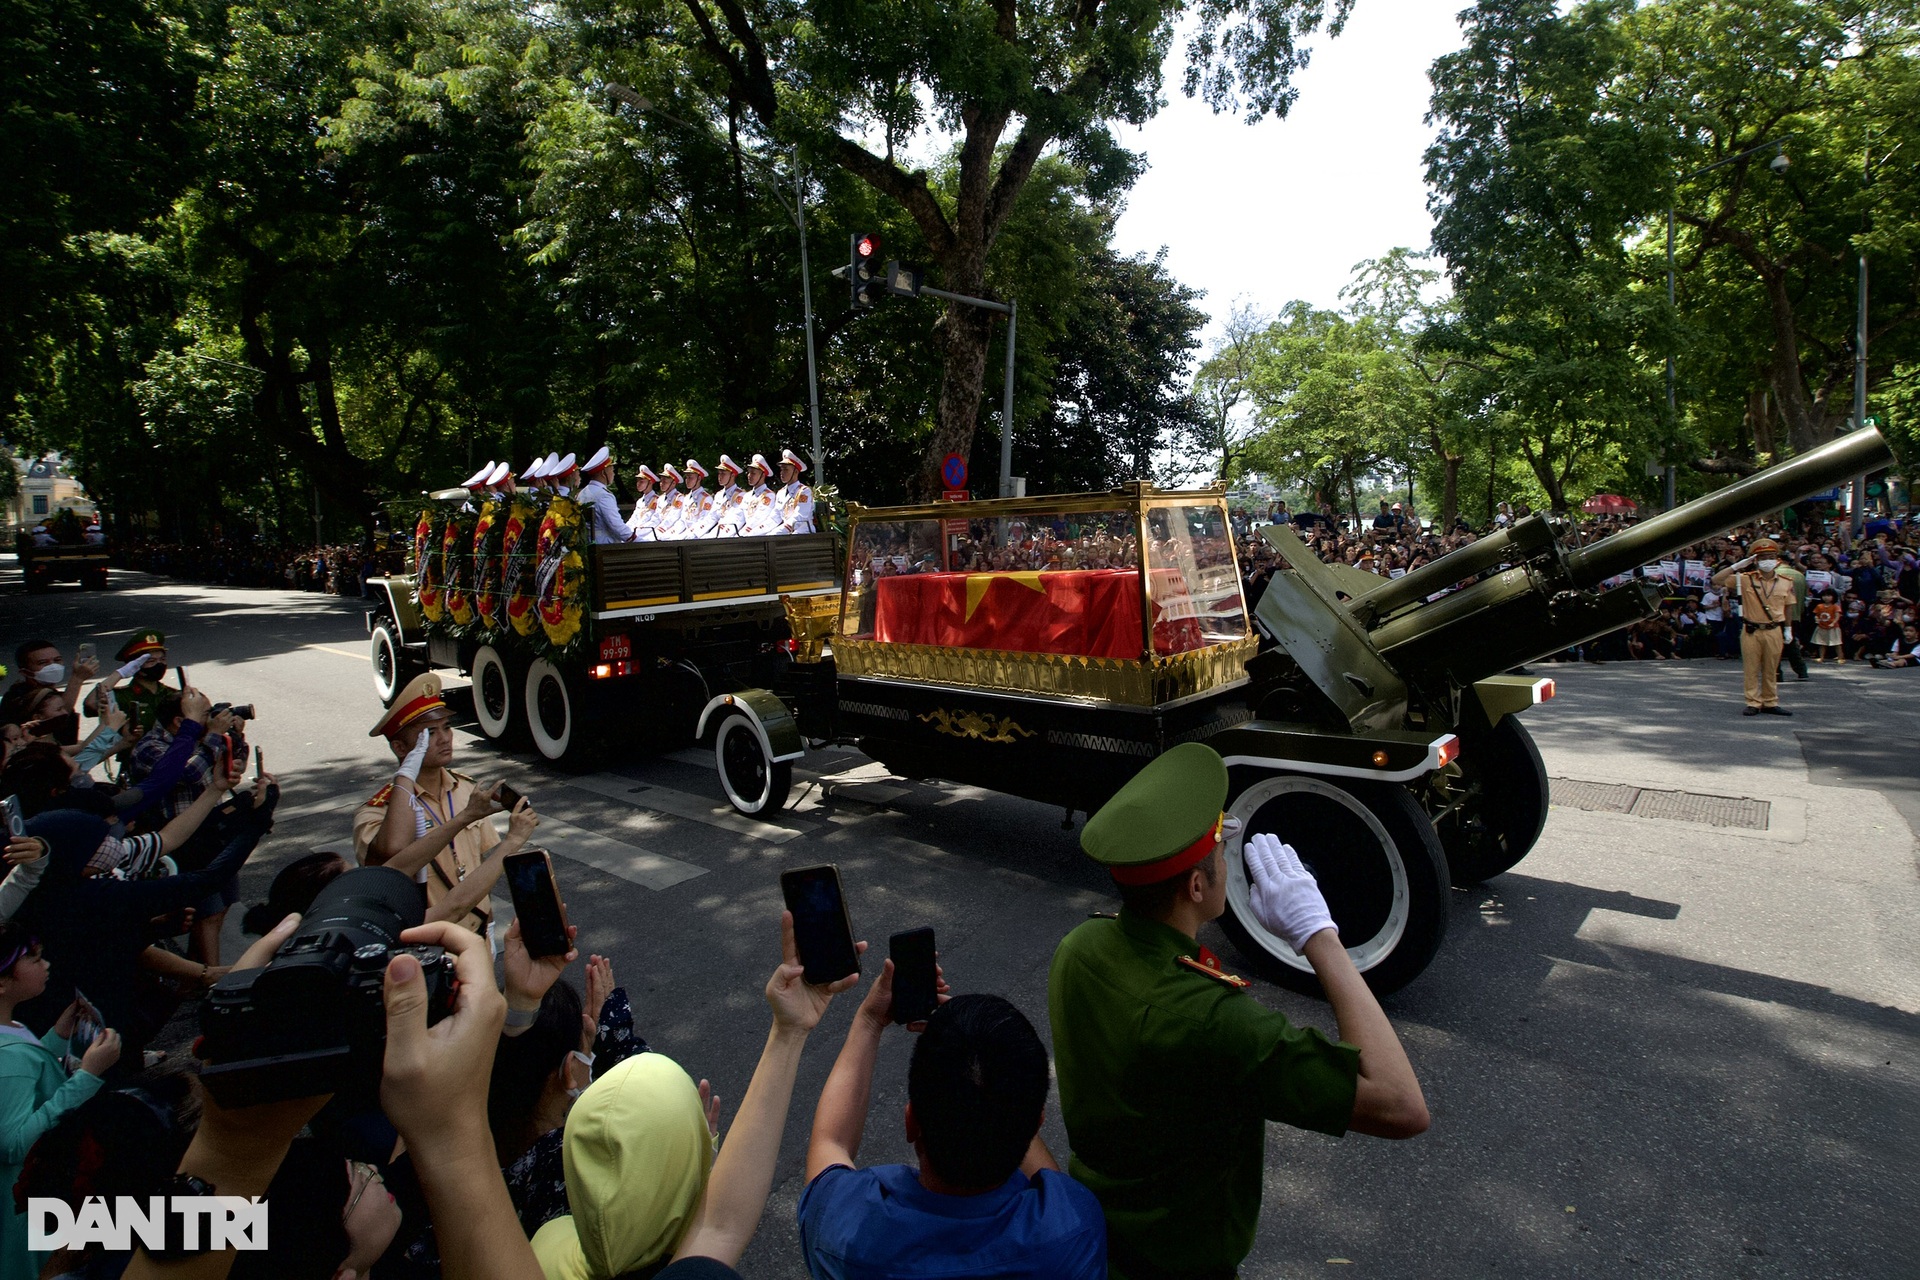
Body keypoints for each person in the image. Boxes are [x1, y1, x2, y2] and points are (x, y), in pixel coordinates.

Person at [1048, 743, 1429, 1280]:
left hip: (1099, 1234)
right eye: (1219, 851)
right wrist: (1319, 936)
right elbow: (1402, 1106)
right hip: (1183, 1262)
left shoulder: (1080, 947)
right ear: (1197, 885)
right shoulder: (1213, 1018)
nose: (1227, 859)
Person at [531, 912, 862, 1280]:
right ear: (690, 1189)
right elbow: (720, 1225)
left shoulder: (539, 1250)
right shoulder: (693, 1265)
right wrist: (790, 1032)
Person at [799, 970, 1105, 1279]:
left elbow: (831, 1143)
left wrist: (869, 1021)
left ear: (910, 1121)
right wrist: (978, 1048)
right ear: (1037, 1121)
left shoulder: (843, 1230)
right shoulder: (1075, 1230)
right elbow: (1053, 1187)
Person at [353, 673, 538, 943]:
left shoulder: (466, 791)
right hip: (427, 946)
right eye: (429, 733)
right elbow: (387, 868)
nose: (444, 738)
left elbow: (478, 865)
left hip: (477, 935)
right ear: (400, 747)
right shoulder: (378, 813)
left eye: (447, 727)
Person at [0, 922, 122, 1280]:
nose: (46, 964)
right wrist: (87, 1075)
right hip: (21, 1212)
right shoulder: (9, 1058)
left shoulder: (11, 1034)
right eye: (33, 959)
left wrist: (55, 1038)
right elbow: (13, 1143)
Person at [1712, 537, 1797, 716]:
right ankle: (1753, 701)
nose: (1767, 560)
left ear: (1777, 559)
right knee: (1751, 668)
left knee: (1771, 668)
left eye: (1771, 556)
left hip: (1774, 629)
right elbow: (1717, 579)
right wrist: (1737, 566)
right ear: (1755, 560)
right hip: (1751, 629)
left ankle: (1770, 701)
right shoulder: (1744, 579)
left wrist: (1788, 629)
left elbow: (1789, 606)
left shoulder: (1786, 581)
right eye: (1762, 557)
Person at [576, 447, 635, 545]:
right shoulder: (603, 496)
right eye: (612, 470)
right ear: (604, 473)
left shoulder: (582, 493)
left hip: (588, 542)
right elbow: (616, 526)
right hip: (606, 547)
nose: (614, 474)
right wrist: (635, 539)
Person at [776, 449, 815, 535]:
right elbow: (775, 516)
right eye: (781, 469)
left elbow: (800, 516)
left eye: (786, 469)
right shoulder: (780, 493)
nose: (782, 473)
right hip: (787, 533)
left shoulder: (804, 491)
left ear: (796, 472)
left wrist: (778, 532)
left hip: (804, 534)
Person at [741, 455, 777, 536]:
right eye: (749, 472)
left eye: (753, 473)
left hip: (759, 536)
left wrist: (743, 533)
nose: (749, 475)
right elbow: (740, 516)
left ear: (762, 475)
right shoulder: (747, 496)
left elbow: (759, 518)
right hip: (745, 534)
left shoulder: (769, 495)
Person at [680, 460, 718, 538]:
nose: (687, 480)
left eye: (690, 477)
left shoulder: (706, 498)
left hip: (697, 536)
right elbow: (683, 520)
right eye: (686, 477)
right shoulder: (687, 498)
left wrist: (691, 533)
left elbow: (704, 521)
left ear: (699, 478)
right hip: (685, 534)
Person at [710, 456, 745, 537]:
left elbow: (736, 519)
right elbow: (712, 517)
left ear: (732, 475)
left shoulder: (740, 495)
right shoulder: (719, 495)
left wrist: (718, 536)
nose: (720, 476)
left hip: (729, 536)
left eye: (723, 473)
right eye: (719, 473)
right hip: (716, 532)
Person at [628, 465, 661, 541]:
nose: (638, 484)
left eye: (641, 481)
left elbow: (654, 521)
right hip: (636, 533)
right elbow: (633, 519)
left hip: (648, 535)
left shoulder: (657, 500)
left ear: (650, 483)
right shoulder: (640, 501)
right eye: (638, 481)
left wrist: (636, 532)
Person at [654, 464, 687, 540]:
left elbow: (672, 518)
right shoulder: (661, 498)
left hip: (670, 532)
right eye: (661, 481)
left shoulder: (679, 498)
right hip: (658, 530)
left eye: (665, 482)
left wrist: (659, 530)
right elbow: (656, 517)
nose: (661, 484)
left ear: (673, 483)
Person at [1812, 590, 1844, 663]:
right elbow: (1816, 615)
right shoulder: (1819, 606)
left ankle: (1840, 657)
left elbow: (1837, 616)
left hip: (1833, 628)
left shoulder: (1835, 607)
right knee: (1821, 643)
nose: (1826, 598)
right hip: (1821, 626)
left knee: (1837, 643)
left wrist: (1833, 623)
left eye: (1829, 596)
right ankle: (1821, 657)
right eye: (1824, 596)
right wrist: (1816, 619)